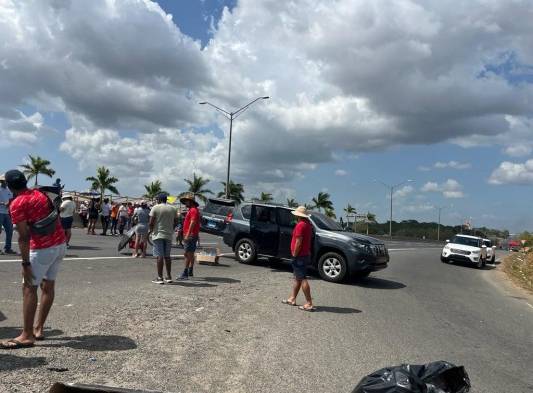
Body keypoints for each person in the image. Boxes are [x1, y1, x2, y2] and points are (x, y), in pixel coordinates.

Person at [0, 170, 66, 349]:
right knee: (48, 285)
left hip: (43, 248)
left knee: (29, 288)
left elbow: (23, 236)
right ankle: (38, 328)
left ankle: (27, 335)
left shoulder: (17, 203)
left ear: (10, 186)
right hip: (60, 243)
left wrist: (25, 263)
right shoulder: (40, 193)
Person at [282, 206, 315, 311]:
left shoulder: (300, 225)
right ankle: (292, 298)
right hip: (305, 254)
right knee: (297, 277)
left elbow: (298, 241)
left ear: (298, 215)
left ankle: (309, 303)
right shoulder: (308, 225)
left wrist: (295, 254)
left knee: (302, 278)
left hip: (300, 255)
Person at [149, 194, 177, 284]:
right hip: (168, 235)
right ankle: (169, 277)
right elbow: (176, 221)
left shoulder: (155, 207)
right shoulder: (173, 208)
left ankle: (160, 278)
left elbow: (151, 222)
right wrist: (171, 228)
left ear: (159, 200)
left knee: (159, 256)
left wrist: (151, 230)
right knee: (167, 256)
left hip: (158, 235)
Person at [177, 193, 201, 280]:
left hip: (190, 235)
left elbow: (193, 222)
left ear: (191, 201)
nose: (185, 203)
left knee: (187, 254)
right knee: (190, 253)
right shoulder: (192, 210)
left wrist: (187, 234)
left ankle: (185, 273)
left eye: (186, 201)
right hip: (192, 234)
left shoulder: (193, 210)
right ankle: (190, 270)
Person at [0, 174, 16, 255]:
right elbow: (5, 202)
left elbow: (11, 201)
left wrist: (11, 204)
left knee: (10, 231)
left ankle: (7, 248)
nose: (5, 182)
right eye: (3, 181)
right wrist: (3, 203)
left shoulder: (9, 190)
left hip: (7, 213)